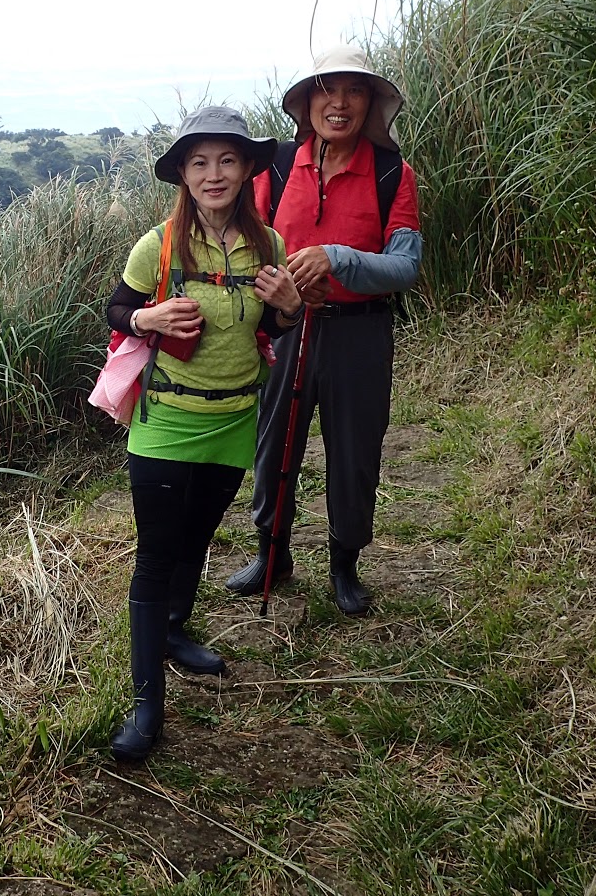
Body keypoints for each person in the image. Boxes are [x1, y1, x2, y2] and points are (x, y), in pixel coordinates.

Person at [104, 105, 305, 763]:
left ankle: (173, 629)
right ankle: (147, 706)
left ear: (247, 169)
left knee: (197, 535)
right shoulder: (159, 245)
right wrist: (148, 318)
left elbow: (267, 329)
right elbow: (117, 308)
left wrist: (289, 310)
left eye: (226, 160)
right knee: (156, 553)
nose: (213, 174)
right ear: (183, 175)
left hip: (234, 418)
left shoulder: (269, 246)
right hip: (166, 421)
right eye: (199, 162)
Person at [224, 45, 423, 617]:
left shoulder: (391, 173)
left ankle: (344, 564)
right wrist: (282, 290)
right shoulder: (279, 167)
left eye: (354, 90)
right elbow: (248, 245)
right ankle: (272, 553)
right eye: (326, 89)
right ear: (307, 102)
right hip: (285, 329)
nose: (339, 102)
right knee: (273, 441)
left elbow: (405, 266)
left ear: (370, 104)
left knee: (355, 450)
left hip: (361, 332)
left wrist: (337, 259)